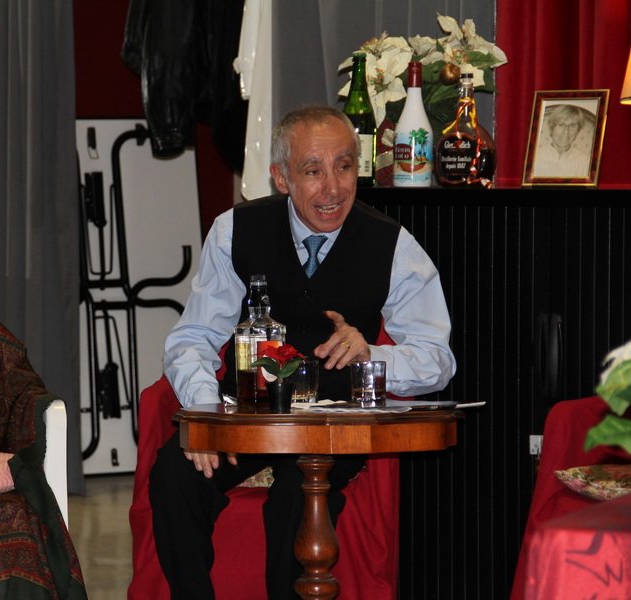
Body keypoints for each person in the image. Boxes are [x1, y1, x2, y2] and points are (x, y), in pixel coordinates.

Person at [149, 104, 456, 599]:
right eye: (313, 171)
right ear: (281, 177)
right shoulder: (234, 230)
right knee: (174, 476)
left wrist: (371, 354)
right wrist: (205, 417)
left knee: (298, 496)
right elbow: (194, 336)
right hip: (249, 417)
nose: (333, 189)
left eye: (344, 167)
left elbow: (438, 360)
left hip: (334, 427)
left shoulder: (393, 245)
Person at [533, 104, 596, 178]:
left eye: (572, 125)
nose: (566, 131)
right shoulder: (535, 157)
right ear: (552, 128)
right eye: (561, 125)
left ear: (578, 131)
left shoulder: (585, 161)